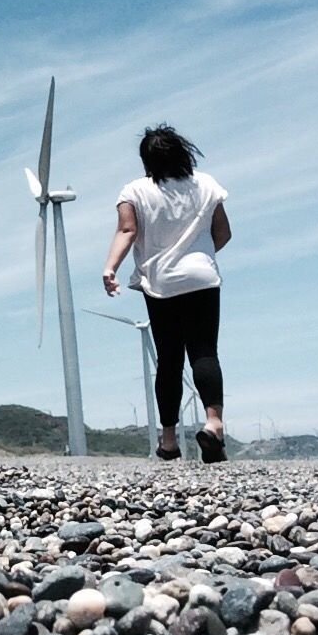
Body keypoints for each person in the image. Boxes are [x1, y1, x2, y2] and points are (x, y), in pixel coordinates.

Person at [102, 124, 232, 463]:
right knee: (204, 352)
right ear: (183, 151)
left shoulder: (135, 191)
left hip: (160, 284)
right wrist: (199, 254)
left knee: (170, 360)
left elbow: (127, 230)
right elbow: (224, 233)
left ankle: (170, 440)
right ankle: (213, 423)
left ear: (146, 159)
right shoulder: (206, 184)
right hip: (202, 278)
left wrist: (110, 268)